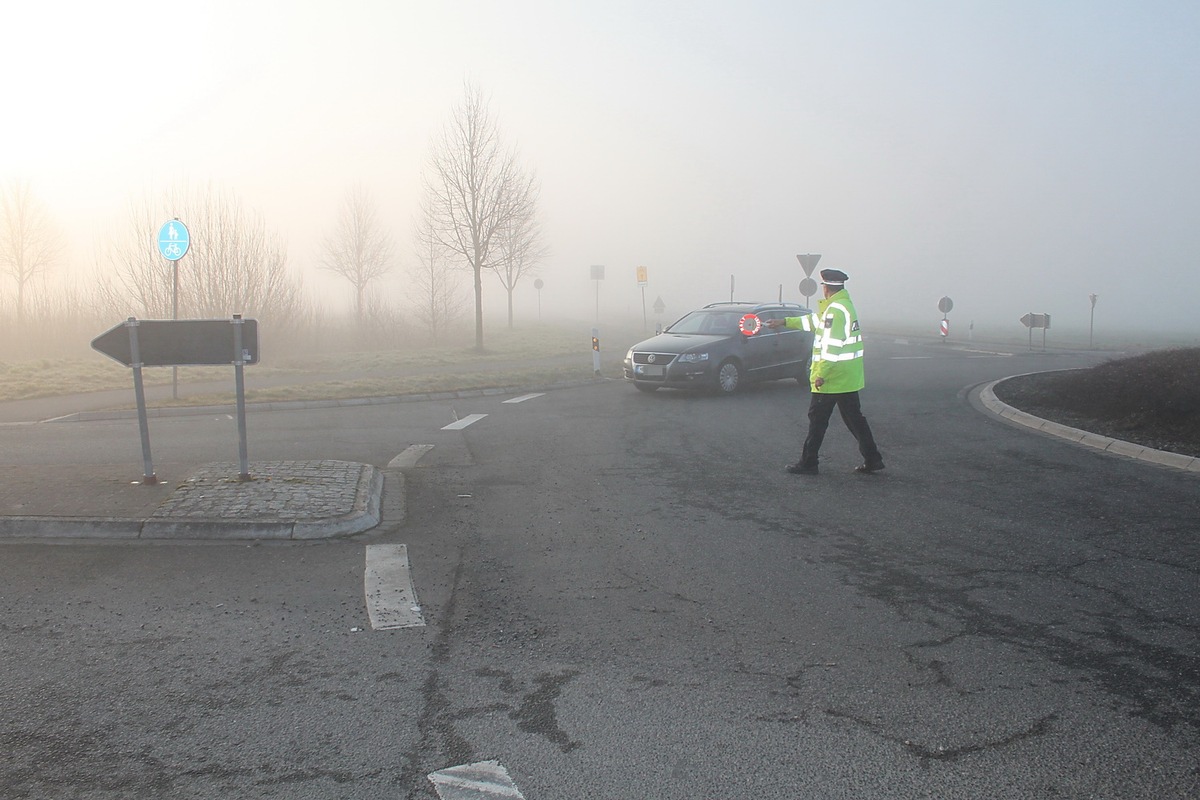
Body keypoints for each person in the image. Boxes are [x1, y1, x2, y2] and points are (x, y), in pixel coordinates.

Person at [766, 268, 884, 475]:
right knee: (854, 419)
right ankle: (873, 458)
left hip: (832, 378)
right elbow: (812, 322)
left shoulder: (835, 311)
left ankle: (809, 462)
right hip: (846, 377)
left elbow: (831, 346)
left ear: (825, 287)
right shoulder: (842, 306)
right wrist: (783, 322)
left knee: (818, 420)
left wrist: (821, 374)